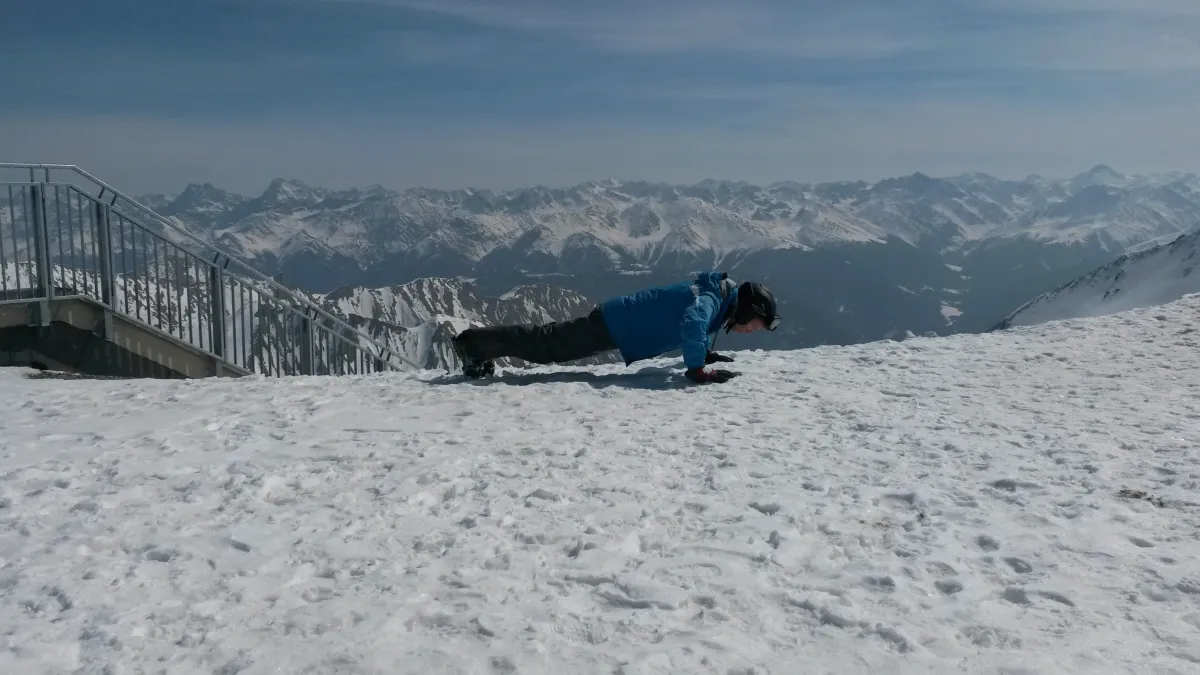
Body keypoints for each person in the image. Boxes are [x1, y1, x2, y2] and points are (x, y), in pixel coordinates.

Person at [450, 271, 779, 383]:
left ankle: (479, 346)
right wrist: (697, 370)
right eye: (754, 324)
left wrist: (704, 355)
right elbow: (693, 322)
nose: (751, 330)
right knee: (546, 345)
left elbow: (696, 323)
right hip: (616, 324)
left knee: (548, 344)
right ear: (746, 310)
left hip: (620, 322)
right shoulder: (711, 298)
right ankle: (473, 345)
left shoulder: (717, 300)